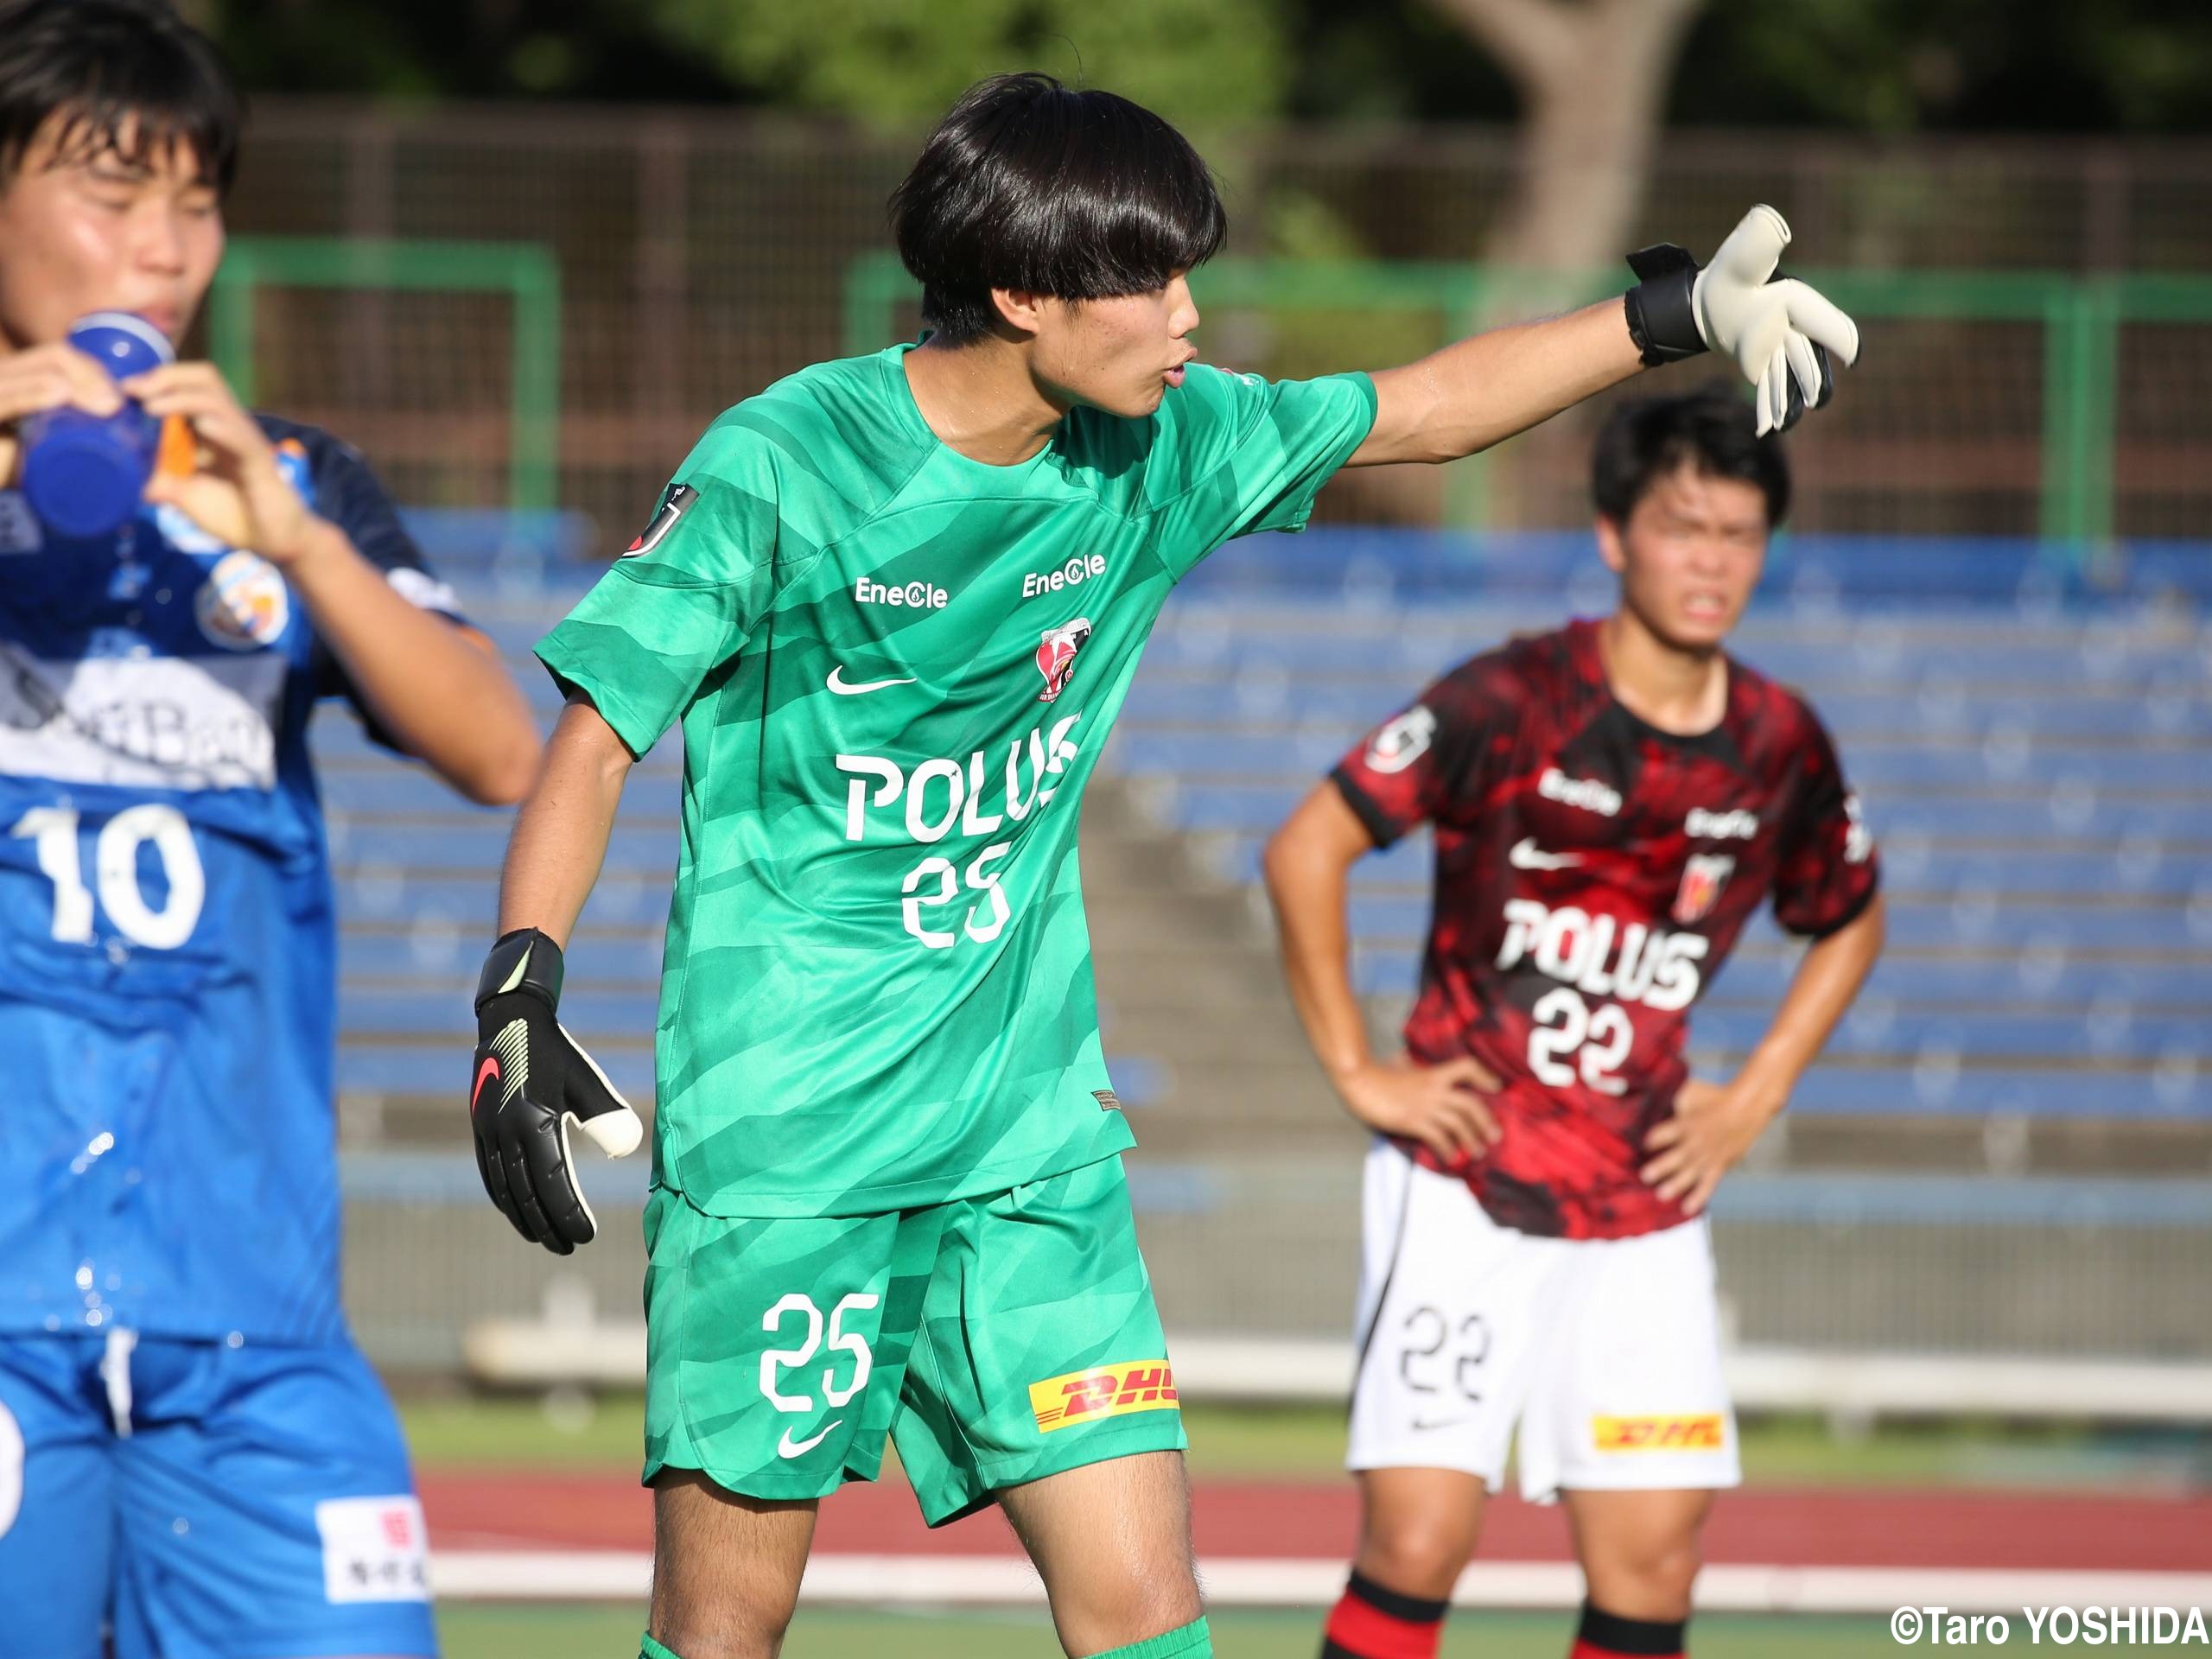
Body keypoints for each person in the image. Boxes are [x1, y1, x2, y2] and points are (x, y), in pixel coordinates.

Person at [464, 73, 1862, 1659]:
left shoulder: (1162, 448)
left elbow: (1415, 410)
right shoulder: (787, 463)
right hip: (792, 1147)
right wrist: (522, 992)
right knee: (726, 1631)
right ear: (1020, 290)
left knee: (1148, 1613)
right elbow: (592, 737)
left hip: (1031, 1143)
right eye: (1151, 278)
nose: (1192, 313)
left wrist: (1664, 316)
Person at [0, 3, 540, 1654]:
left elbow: (502, 750)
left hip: (255, 1329)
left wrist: (299, 542)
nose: (162, 248)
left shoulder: (288, 474)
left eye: (197, 199)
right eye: (112, 195)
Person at [1262, 384, 1887, 1659]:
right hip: (1466, 1176)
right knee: (1419, 1546)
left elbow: (1852, 913)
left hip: (1645, 1200)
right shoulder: (1513, 696)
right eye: (1682, 526)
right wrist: (1356, 1068)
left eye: (1740, 534)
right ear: (1614, 534)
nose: (1711, 561)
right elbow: (1306, 847)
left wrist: (1758, 1090)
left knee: (1654, 1563)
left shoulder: (1779, 743)